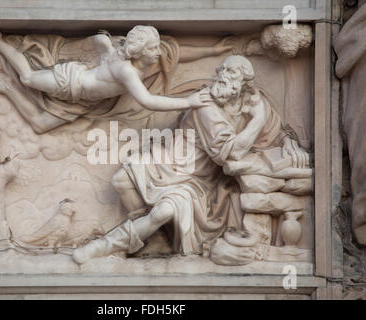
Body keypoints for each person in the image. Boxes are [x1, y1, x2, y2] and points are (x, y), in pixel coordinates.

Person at [72, 55, 309, 264]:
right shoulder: (207, 106)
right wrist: (257, 120)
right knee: (122, 180)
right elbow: (231, 151)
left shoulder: (254, 102)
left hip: (194, 178)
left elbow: (275, 130)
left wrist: (289, 142)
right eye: (222, 70)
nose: (222, 75)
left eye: (231, 72)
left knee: (163, 211)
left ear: (244, 83)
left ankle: (102, 247)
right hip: (170, 161)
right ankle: (155, 238)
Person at [0, 25, 234, 133]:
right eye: (154, 49)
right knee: (28, 78)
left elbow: (176, 54)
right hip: (71, 83)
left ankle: (5, 87)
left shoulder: (140, 63)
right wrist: (187, 101)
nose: (158, 52)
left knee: (40, 124)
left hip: (83, 101)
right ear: (141, 51)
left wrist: (212, 51)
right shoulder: (128, 71)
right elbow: (149, 101)